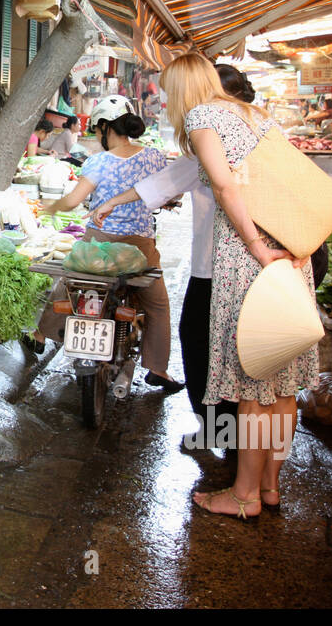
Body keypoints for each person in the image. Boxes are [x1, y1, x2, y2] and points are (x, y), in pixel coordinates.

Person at [161, 53, 319, 520]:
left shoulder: (202, 117)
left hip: (248, 259)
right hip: (290, 250)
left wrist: (254, 243)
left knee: (252, 382)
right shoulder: (256, 115)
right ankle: (270, 485)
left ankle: (244, 495)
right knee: (282, 385)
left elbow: (228, 189)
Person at [90, 63, 255, 429]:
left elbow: (176, 184)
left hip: (224, 265)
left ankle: (218, 434)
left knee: (202, 344)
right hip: (252, 264)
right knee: (235, 354)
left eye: (168, 94)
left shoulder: (208, 133)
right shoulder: (253, 128)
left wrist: (109, 204)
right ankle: (162, 372)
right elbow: (167, 183)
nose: (164, 103)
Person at [34, 96, 175, 386]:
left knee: (71, 282)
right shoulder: (154, 157)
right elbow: (171, 195)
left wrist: (50, 207)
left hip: (98, 242)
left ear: (104, 127)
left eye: (97, 131)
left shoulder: (98, 161)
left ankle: (39, 335)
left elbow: (73, 201)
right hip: (139, 248)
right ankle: (158, 369)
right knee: (157, 305)